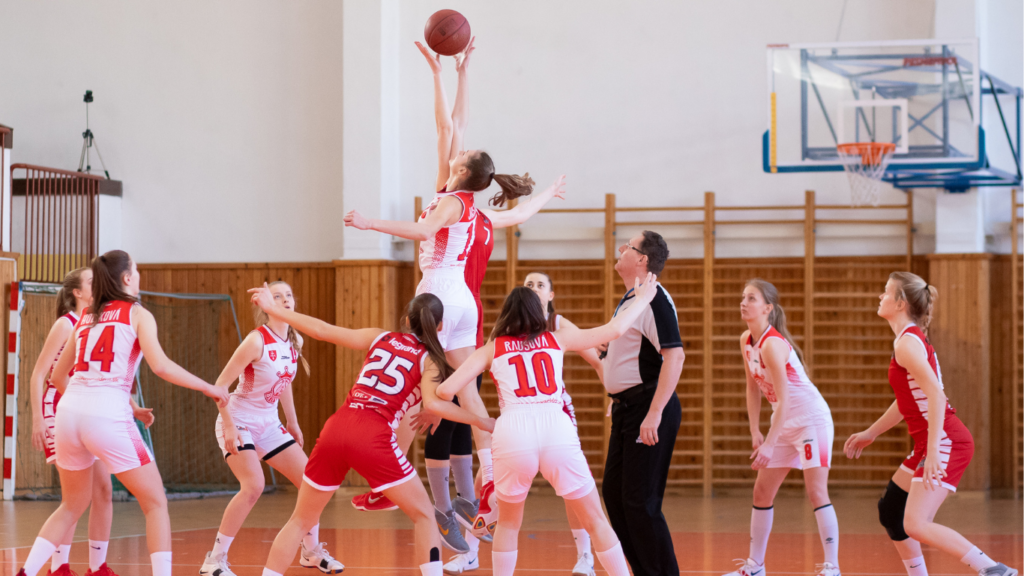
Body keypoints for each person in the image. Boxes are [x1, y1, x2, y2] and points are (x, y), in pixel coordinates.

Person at [343, 36, 561, 551]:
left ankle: (385, 478)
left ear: (462, 172)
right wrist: (451, 73)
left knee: (407, 384)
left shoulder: (452, 203)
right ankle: (489, 481)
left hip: (438, 294)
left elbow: (423, 232)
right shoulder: (481, 210)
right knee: (465, 390)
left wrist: (371, 223)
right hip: (465, 300)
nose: (454, 148)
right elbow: (453, 128)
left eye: (459, 155)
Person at [248, 285, 494, 576]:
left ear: (406, 321)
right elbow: (435, 403)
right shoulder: (430, 360)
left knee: (300, 520)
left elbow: (323, 330)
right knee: (425, 516)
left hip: (336, 428)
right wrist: (481, 421)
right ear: (440, 327)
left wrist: (273, 309)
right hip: (373, 435)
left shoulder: (381, 336)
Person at [426, 274, 660, 576]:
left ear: (506, 314)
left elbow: (445, 392)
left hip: (513, 430)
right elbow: (614, 329)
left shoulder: (493, 348)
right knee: (596, 520)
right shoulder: (556, 338)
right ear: (538, 314)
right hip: (555, 427)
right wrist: (642, 298)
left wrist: (436, 398)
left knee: (509, 524)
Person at [16, 250, 229, 576]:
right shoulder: (137, 313)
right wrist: (209, 387)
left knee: (71, 505)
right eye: (137, 270)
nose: (139, 276)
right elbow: (161, 366)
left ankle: (25, 572)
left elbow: (57, 377)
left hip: (68, 413)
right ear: (127, 278)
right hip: (106, 415)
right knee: (156, 503)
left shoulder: (86, 316)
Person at [845, 272, 1017, 576]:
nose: (880, 297)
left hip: (947, 439)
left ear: (899, 303)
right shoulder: (907, 340)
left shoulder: (907, 345)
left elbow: (937, 396)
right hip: (932, 440)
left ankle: (993, 569)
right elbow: (907, 400)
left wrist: (935, 449)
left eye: (886, 292)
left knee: (916, 523)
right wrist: (871, 432)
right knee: (892, 511)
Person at [200, 281, 342, 576]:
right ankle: (214, 559)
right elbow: (219, 387)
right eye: (277, 296)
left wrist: (293, 422)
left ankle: (311, 552)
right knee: (253, 486)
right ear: (265, 306)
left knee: (311, 484)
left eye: (289, 294)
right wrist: (228, 426)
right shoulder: (256, 341)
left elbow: (284, 384)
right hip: (238, 418)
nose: (286, 300)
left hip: (269, 421)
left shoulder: (294, 341)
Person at [28, 268, 153, 576]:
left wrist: (133, 407)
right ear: (78, 293)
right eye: (90, 281)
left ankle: (97, 566)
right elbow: (39, 374)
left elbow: (102, 379)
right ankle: (59, 566)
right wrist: (36, 420)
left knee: (103, 492)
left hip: (91, 410)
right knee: (73, 499)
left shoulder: (100, 320)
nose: (98, 284)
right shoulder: (66, 323)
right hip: (61, 408)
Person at [723, 279, 840, 576]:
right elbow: (752, 388)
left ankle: (831, 567)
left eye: (751, 298)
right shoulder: (745, 340)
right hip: (783, 422)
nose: (743, 302)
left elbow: (785, 400)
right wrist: (755, 431)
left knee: (816, 492)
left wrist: (770, 443)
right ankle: (755, 567)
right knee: (762, 493)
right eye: (743, 296)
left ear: (767, 308)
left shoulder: (773, 345)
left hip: (810, 420)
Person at [599, 231, 683, 576]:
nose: (621, 249)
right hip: (627, 408)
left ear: (642, 260)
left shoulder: (653, 299)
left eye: (628, 246)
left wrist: (653, 412)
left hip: (648, 409)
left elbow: (674, 356)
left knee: (641, 504)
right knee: (617, 498)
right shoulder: (632, 297)